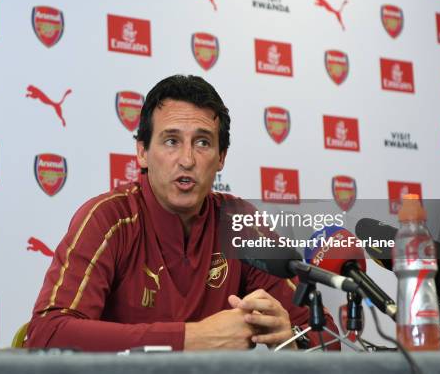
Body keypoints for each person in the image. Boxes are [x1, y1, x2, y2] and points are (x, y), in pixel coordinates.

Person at [25, 75, 340, 351]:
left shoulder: (239, 223)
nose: (187, 159)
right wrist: (192, 338)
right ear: (142, 152)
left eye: (202, 142)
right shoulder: (108, 218)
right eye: (171, 141)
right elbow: (46, 335)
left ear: (221, 158)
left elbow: (327, 338)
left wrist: (293, 339)